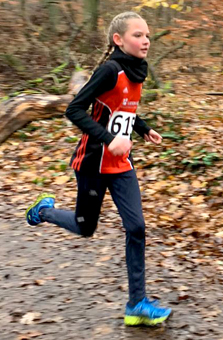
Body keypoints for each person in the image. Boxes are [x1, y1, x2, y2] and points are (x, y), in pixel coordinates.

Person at [25, 11, 171, 326]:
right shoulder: (109, 70)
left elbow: (123, 111)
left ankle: (137, 305)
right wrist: (107, 139)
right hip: (93, 163)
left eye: (147, 35)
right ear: (119, 39)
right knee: (85, 226)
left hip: (122, 165)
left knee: (137, 228)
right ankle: (44, 211)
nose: (145, 40)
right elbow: (74, 109)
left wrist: (143, 128)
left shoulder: (136, 71)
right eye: (138, 35)